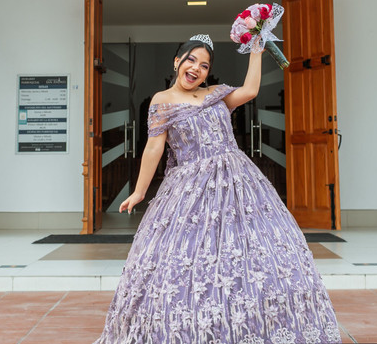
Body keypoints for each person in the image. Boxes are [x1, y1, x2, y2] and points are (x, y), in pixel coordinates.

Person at [95, 34, 340, 344]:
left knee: (249, 253)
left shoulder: (216, 95)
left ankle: (249, 327)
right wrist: (140, 191)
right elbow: (154, 147)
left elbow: (250, 90)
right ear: (177, 61)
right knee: (191, 256)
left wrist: (257, 49)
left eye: (204, 65)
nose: (197, 68)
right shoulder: (162, 100)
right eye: (191, 60)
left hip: (239, 184)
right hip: (189, 190)